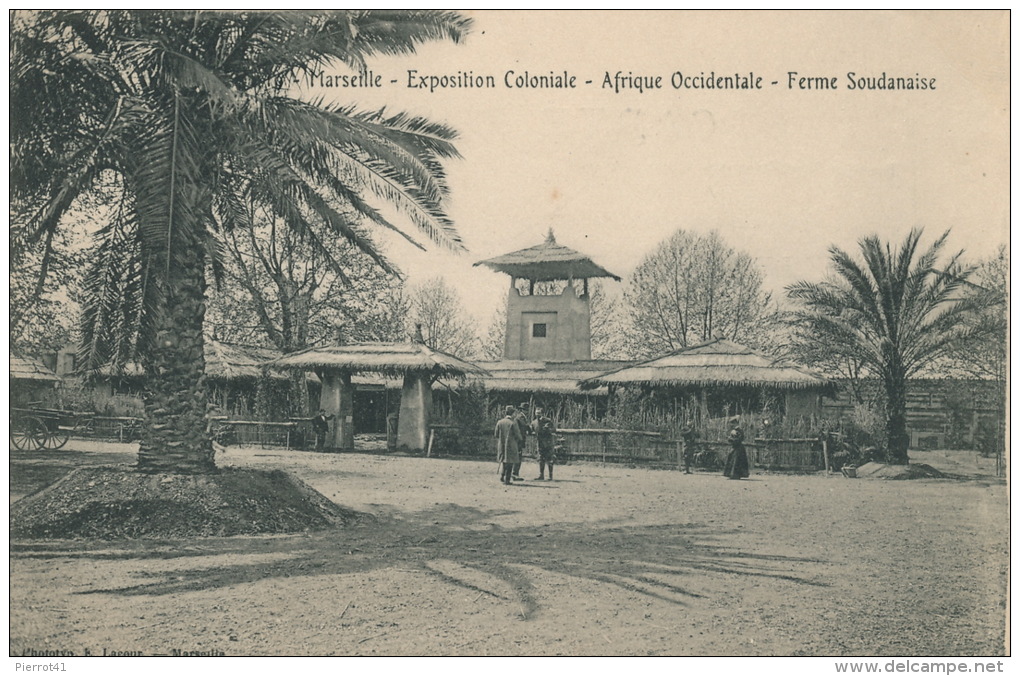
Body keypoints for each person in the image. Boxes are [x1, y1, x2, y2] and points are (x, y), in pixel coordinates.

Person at [494, 406, 524, 485]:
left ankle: (502, 476)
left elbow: (496, 434)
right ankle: (507, 479)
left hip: (502, 444)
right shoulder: (513, 422)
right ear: (513, 413)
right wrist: (519, 440)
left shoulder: (500, 422)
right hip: (511, 445)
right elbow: (518, 435)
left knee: (504, 460)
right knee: (510, 462)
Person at [531, 407, 557, 480]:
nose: (537, 415)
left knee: (550, 459)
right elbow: (532, 430)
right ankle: (541, 475)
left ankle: (550, 476)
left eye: (539, 413)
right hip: (540, 443)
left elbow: (554, 430)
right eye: (536, 413)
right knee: (541, 459)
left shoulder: (548, 421)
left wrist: (548, 429)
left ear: (542, 413)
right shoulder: (534, 422)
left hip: (548, 443)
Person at [511, 402, 530, 481]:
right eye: (525, 410)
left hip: (520, 439)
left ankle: (515, 473)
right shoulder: (520, 417)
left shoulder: (523, 417)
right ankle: (515, 474)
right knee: (517, 457)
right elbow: (523, 427)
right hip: (518, 440)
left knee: (519, 456)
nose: (526, 411)